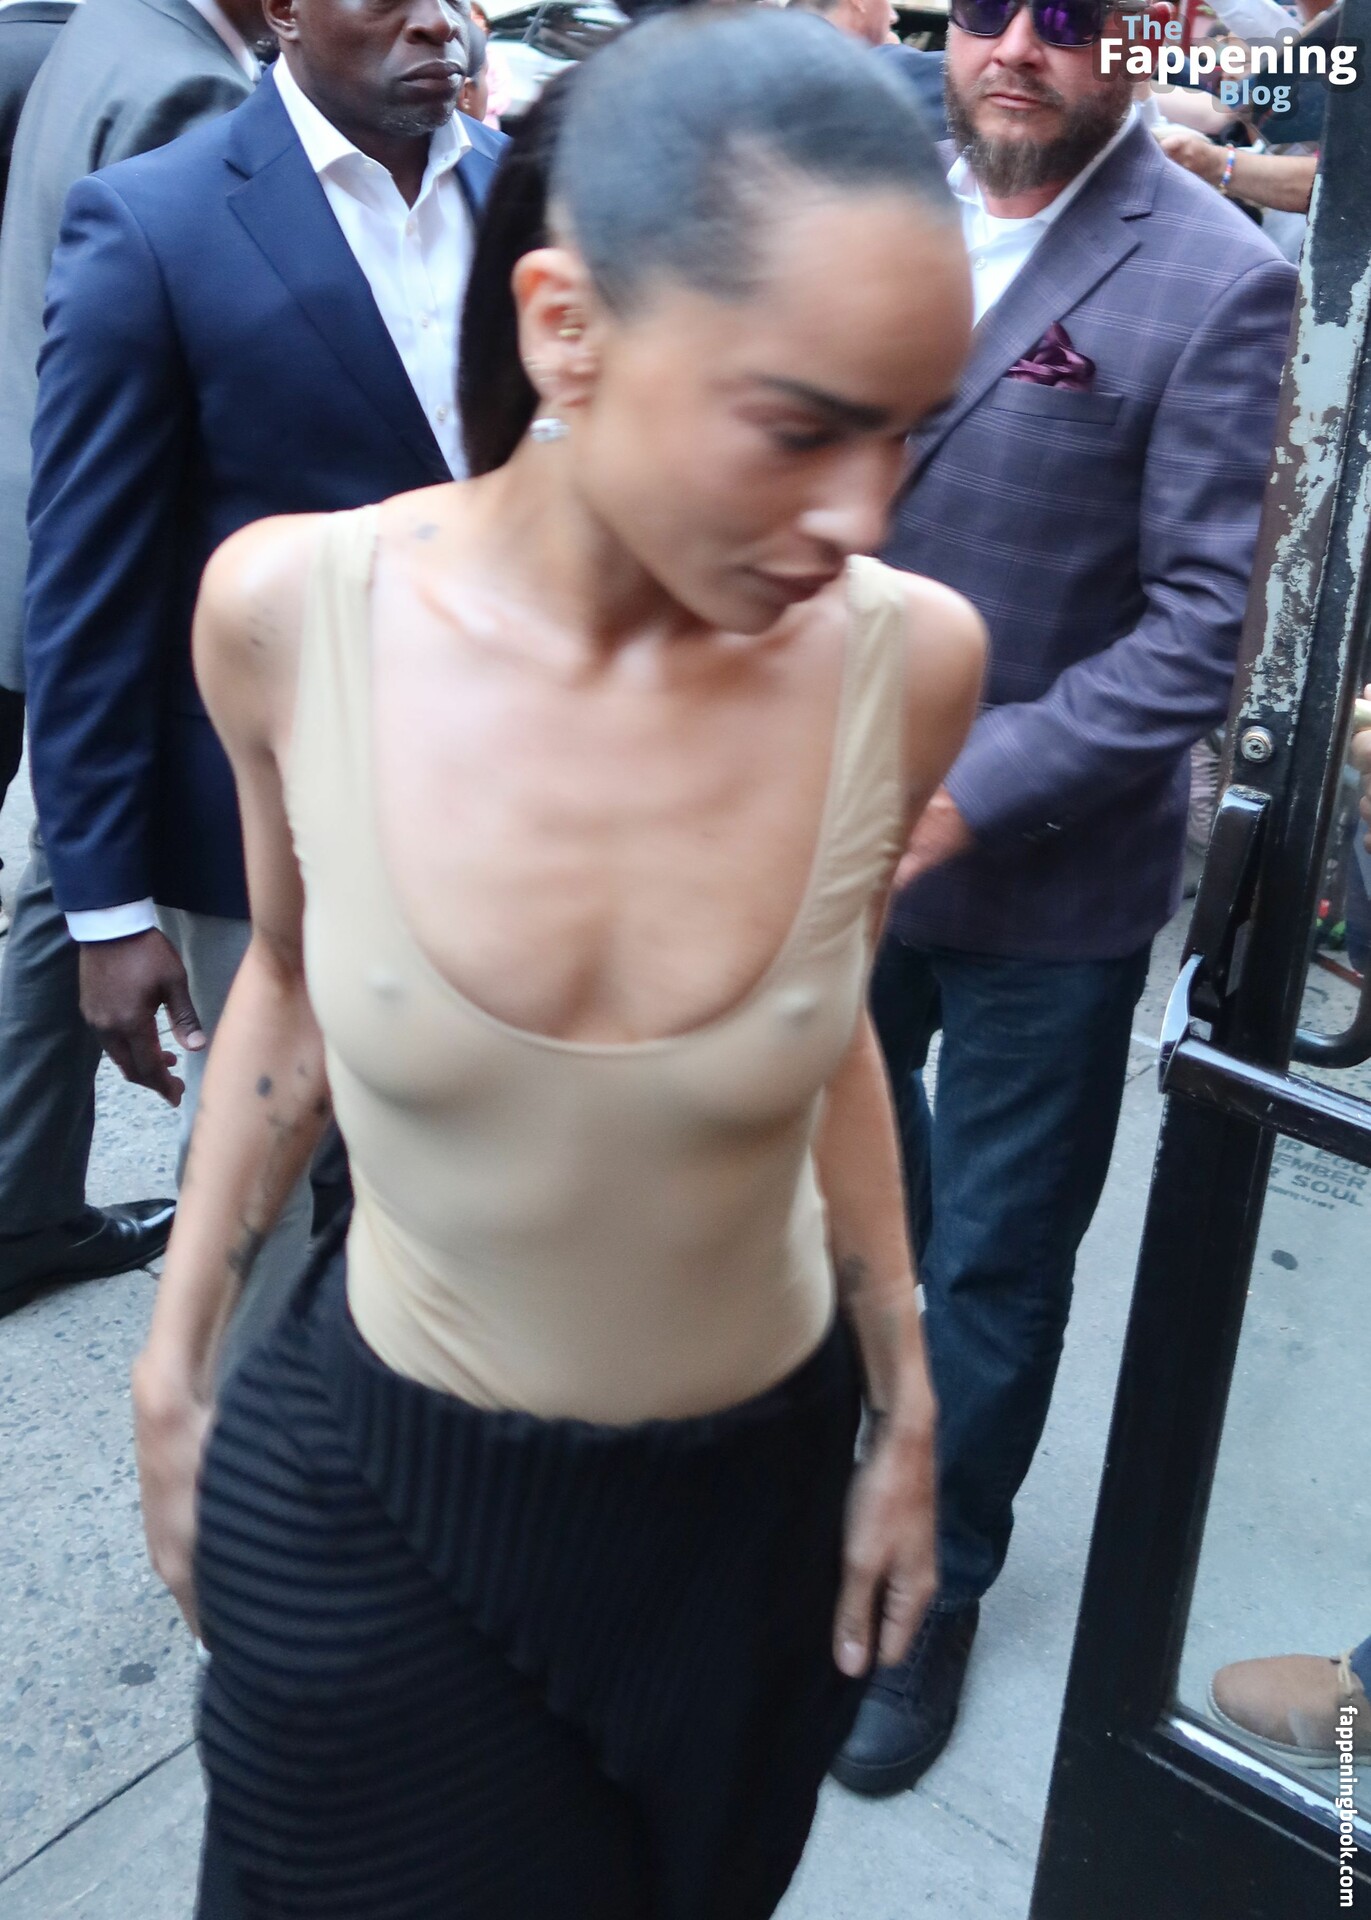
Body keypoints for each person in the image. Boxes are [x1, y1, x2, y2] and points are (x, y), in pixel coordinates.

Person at [132, 11, 987, 1913]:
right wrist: (175, 1361)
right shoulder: (296, 612)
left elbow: (831, 1031)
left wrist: (906, 1405)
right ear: (565, 328)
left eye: (906, 430)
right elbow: (289, 985)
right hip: (388, 1515)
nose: (866, 517)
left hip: (749, 1539)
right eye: (800, 426)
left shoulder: (906, 660)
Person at [830, 0, 1297, 1798]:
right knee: (826, 1211)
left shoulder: (1218, 278)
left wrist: (961, 796)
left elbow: (1195, 635)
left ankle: (928, 1585)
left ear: (1139, 41)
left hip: (1045, 878)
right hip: (829, 850)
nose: (1018, 45)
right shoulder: (860, 199)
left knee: (993, 1262)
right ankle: (813, 1499)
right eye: (983, 10)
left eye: (1074, 16)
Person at [18, 0, 505, 1351]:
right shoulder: (155, 222)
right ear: (282, 9)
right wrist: (105, 908)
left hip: (508, 814)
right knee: (268, 1224)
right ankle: (246, 1478)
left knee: (478, 1199)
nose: (438, 21)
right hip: (264, 845)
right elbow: (91, 588)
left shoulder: (530, 193)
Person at [0, 0, 264, 1302]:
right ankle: (19, 1202)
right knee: (79, 865)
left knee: (67, 854)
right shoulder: (185, 91)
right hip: (120, 557)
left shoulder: (108, 31)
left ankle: (21, 1197)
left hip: (40, 502)